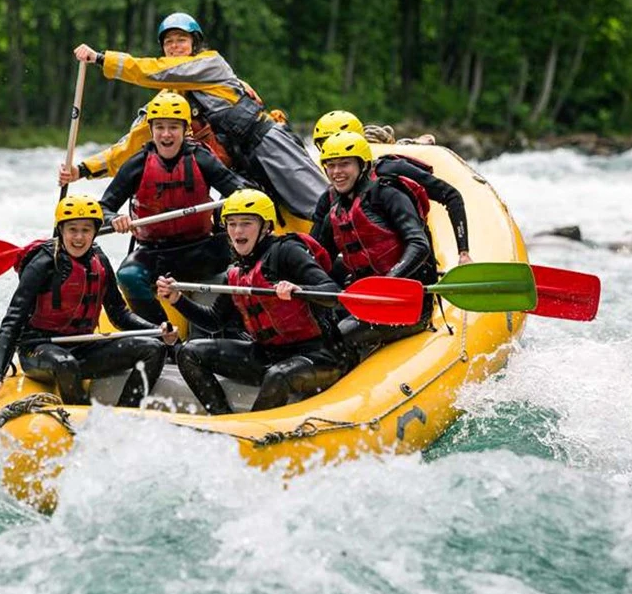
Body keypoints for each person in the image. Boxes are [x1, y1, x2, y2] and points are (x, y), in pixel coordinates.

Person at [63, 12, 328, 222]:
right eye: (169, 42)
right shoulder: (168, 102)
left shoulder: (211, 63)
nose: (175, 47)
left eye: (181, 40)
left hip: (266, 144)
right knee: (262, 221)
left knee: (318, 204)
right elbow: (132, 143)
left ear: (195, 44)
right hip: (238, 169)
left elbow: (153, 71)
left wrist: (101, 59)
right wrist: (84, 169)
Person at [155, 189, 354, 415]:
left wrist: (301, 290)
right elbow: (214, 322)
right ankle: (223, 419)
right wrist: (177, 300)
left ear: (266, 227)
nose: (237, 231)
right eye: (231, 224)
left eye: (246, 223)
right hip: (267, 354)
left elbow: (334, 293)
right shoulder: (236, 272)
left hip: (319, 355)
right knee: (189, 352)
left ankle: (251, 431)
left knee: (278, 376)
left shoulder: (287, 251)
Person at [0, 195, 178, 408]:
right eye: (72, 229)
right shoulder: (43, 263)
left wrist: (156, 330)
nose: (79, 237)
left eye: (86, 230)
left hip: (83, 346)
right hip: (39, 348)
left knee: (154, 349)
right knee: (65, 364)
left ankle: (126, 413)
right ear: (61, 230)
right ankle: (80, 417)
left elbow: (119, 313)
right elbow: (13, 320)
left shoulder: (99, 260)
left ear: (95, 232)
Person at [98, 90, 248, 323]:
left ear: (185, 129)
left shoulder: (202, 159)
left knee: (240, 264)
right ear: (151, 130)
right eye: (160, 127)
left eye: (173, 127)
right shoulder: (137, 165)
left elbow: (241, 193)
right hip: (155, 253)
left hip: (202, 249)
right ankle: (162, 333)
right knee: (128, 275)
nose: (166, 134)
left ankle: (226, 326)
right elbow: (103, 208)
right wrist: (114, 219)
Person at [311, 131, 437, 354]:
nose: (336, 172)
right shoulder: (336, 212)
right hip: (366, 300)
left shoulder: (388, 194)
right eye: (331, 165)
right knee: (317, 327)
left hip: (407, 304)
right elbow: (318, 264)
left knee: (335, 337)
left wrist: (389, 282)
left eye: (345, 164)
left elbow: (419, 245)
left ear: (363, 165)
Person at [312, 110, 472, 265]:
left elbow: (450, 195)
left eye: (344, 161)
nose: (334, 149)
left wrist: (463, 253)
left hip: (410, 264)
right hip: (366, 271)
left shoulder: (391, 173)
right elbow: (316, 248)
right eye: (325, 145)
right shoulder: (331, 197)